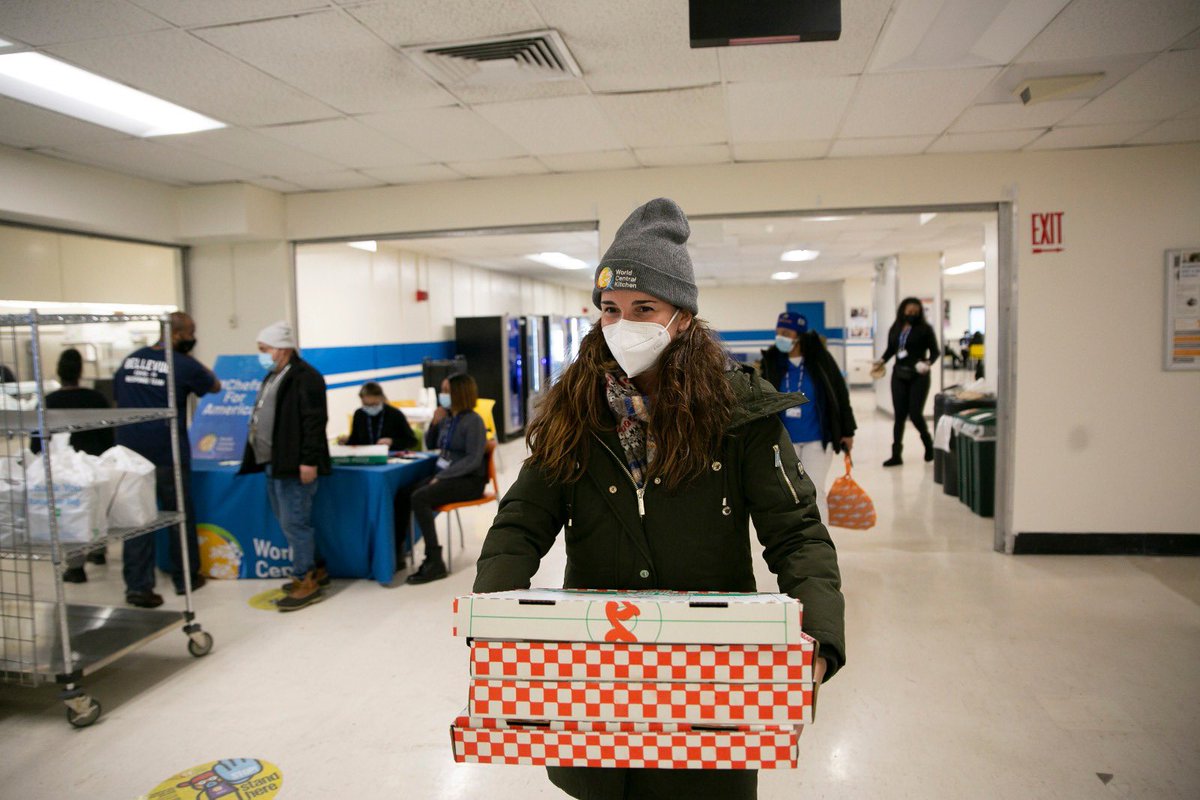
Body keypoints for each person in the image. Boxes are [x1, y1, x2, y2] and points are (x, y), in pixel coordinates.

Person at [473, 198, 845, 800]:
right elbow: (521, 523)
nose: (624, 325)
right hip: (598, 676)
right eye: (611, 309)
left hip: (712, 674)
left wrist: (818, 643)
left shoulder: (739, 416)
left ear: (683, 317)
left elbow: (797, 533)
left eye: (644, 308)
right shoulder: (575, 414)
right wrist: (491, 622)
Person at [114, 312, 220, 608]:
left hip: (130, 454)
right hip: (167, 452)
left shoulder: (130, 360)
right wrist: (188, 358)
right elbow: (215, 385)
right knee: (178, 515)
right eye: (191, 333)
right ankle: (186, 577)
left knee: (136, 519)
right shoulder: (183, 364)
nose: (193, 338)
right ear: (178, 334)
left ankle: (138, 587)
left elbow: (118, 396)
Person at [239, 320, 332, 612]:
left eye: (264, 349)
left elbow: (315, 421)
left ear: (282, 349)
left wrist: (308, 460)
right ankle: (316, 569)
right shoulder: (274, 376)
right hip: (274, 461)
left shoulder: (306, 377)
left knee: (294, 522)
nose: (261, 354)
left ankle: (305, 579)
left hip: (294, 463)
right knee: (288, 520)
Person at [759, 311, 856, 521]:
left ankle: (819, 536)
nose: (780, 337)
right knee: (789, 493)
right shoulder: (772, 361)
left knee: (815, 490)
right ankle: (797, 534)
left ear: (799, 336)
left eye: (786, 333)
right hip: (784, 440)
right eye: (778, 332)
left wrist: (848, 430)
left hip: (817, 439)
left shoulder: (820, 360)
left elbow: (839, 394)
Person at [30, 348, 112, 583]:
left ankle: (76, 568)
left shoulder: (48, 402)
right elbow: (109, 436)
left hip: (64, 469)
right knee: (98, 507)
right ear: (81, 371)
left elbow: (36, 444)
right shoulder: (96, 399)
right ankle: (98, 551)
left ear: (58, 371)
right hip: (95, 464)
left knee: (72, 514)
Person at [397, 373, 488, 585]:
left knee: (420, 497)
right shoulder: (447, 418)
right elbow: (432, 444)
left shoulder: (473, 421)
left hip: (469, 481)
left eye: (446, 391)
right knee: (403, 493)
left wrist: (442, 476)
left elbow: (473, 460)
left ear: (458, 393)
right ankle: (398, 551)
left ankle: (434, 560)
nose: (442, 395)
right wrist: (434, 423)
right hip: (445, 476)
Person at [873, 297, 939, 467]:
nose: (912, 315)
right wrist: (881, 361)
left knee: (915, 414)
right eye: (909, 312)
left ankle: (929, 445)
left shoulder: (925, 329)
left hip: (919, 375)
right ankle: (896, 454)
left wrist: (928, 363)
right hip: (899, 375)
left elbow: (935, 352)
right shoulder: (895, 328)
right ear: (903, 311)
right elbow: (891, 349)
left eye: (915, 312)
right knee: (899, 416)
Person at [337, 382, 417, 450]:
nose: (370, 408)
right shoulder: (359, 414)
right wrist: (346, 442)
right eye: (366, 405)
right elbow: (355, 440)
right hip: (366, 457)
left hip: (390, 456)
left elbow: (412, 441)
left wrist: (392, 441)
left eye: (374, 404)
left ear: (381, 398)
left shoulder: (395, 414)